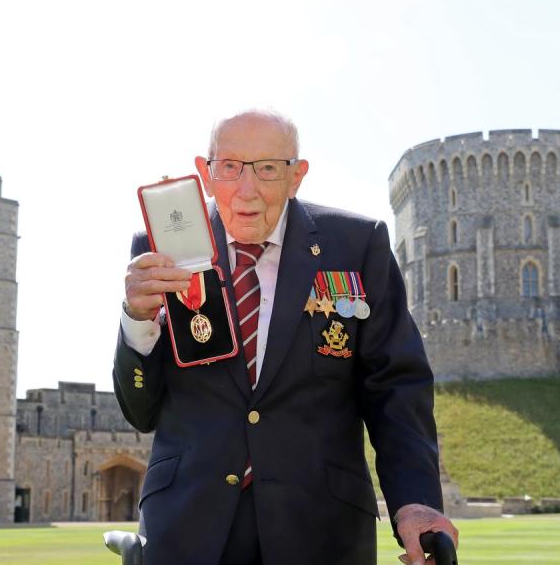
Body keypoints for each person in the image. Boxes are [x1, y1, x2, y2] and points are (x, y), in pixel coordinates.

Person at [115, 110, 458, 565]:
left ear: (297, 176)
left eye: (268, 169)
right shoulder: (161, 247)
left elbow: (396, 386)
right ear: (205, 172)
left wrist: (415, 502)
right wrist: (137, 319)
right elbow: (141, 412)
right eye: (231, 167)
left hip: (322, 533)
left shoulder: (358, 244)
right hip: (187, 532)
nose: (247, 189)